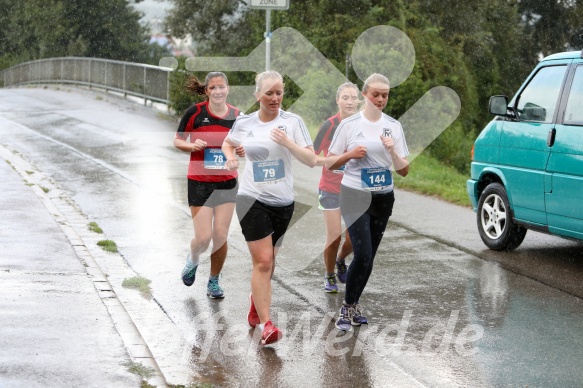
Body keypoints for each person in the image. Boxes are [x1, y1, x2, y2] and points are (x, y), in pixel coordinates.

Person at [222, 70, 317, 345]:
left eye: (279, 93)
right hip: (252, 198)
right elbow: (229, 144)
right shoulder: (245, 123)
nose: (274, 98)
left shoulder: (293, 122)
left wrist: (287, 142)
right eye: (269, 93)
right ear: (257, 95)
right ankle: (267, 325)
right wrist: (231, 160)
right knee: (263, 261)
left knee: (270, 263)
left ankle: (256, 302)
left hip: (283, 201)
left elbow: (310, 159)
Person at [325, 73, 409, 332]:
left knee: (368, 257)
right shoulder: (350, 125)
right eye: (376, 94)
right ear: (364, 95)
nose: (381, 99)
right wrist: (351, 154)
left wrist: (392, 150)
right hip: (354, 194)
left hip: (383, 197)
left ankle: (354, 301)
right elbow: (330, 162)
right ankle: (347, 307)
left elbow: (404, 170)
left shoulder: (393, 126)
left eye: (385, 95)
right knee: (361, 253)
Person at [173, 71, 244, 299]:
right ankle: (193, 259)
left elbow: (244, 145)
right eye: (212, 88)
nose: (217, 91)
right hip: (199, 182)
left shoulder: (237, 116)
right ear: (206, 91)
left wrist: (242, 150)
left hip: (226, 183)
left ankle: (214, 280)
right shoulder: (195, 113)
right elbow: (177, 140)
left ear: (228, 89)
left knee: (221, 235)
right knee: (203, 238)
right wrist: (191, 147)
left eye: (221, 87)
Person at [313, 83, 359, 293]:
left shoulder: (363, 125)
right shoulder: (329, 125)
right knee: (334, 236)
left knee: (352, 239)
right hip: (330, 189)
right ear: (337, 101)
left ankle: (341, 260)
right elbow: (312, 155)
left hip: (355, 190)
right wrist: (334, 161)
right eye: (345, 98)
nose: (350, 102)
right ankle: (329, 274)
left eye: (353, 98)